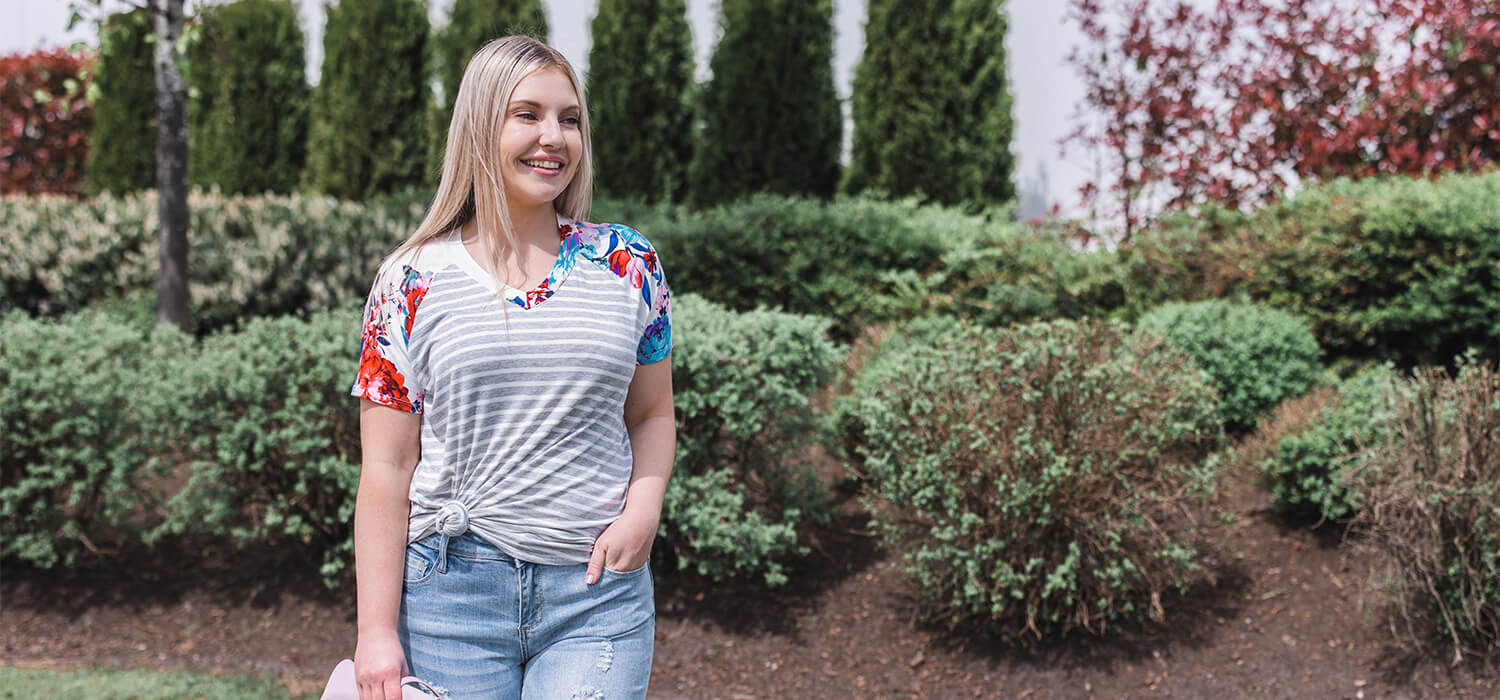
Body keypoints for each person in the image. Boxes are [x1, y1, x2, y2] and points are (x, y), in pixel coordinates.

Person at [347, 35, 675, 700]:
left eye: (569, 118)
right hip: (451, 597)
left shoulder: (628, 264)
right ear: (479, 125)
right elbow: (386, 469)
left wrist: (644, 505)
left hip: (595, 596)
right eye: (526, 114)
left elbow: (651, 412)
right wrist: (375, 632)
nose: (553, 136)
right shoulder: (410, 280)